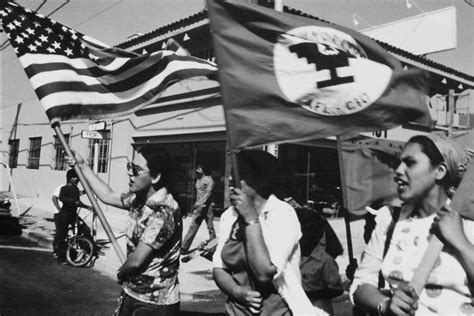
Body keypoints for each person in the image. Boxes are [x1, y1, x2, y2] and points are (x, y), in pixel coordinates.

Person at [350, 134, 474, 315]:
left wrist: (460, 242)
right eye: (400, 163)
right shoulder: (390, 219)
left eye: (410, 163)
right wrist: (385, 305)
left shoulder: (467, 221)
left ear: (439, 171)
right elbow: (360, 284)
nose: (398, 171)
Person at [68, 147, 182, 316]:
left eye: (136, 170)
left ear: (156, 177)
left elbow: (137, 261)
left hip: (155, 302)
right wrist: (83, 165)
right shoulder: (138, 199)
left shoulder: (164, 211)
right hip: (132, 291)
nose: (130, 173)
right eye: (129, 166)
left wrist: (121, 272)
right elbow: (106, 195)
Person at [212, 150, 325, 316]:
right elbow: (218, 268)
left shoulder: (282, 214)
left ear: (260, 180)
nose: (229, 179)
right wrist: (237, 291)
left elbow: (264, 273)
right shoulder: (229, 215)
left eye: (239, 174)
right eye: (230, 173)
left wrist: (251, 220)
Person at [53, 169, 92, 264]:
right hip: (64, 215)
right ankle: (60, 257)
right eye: (76, 177)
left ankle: (85, 248)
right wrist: (72, 201)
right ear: (71, 178)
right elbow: (61, 198)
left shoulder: (75, 189)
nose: (78, 179)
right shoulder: (64, 188)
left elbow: (78, 201)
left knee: (85, 229)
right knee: (61, 235)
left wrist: (87, 206)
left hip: (73, 215)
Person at [181, 163, 216, 254]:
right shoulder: (198, 179)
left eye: (199, 168)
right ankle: (184, 248)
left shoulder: (210, 180)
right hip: (199, 209)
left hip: (207, 208)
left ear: (204, 169)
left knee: (210, 228)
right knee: (192, 227)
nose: (197, 170)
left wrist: (199, 203)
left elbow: (208, 194)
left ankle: (214, 248)